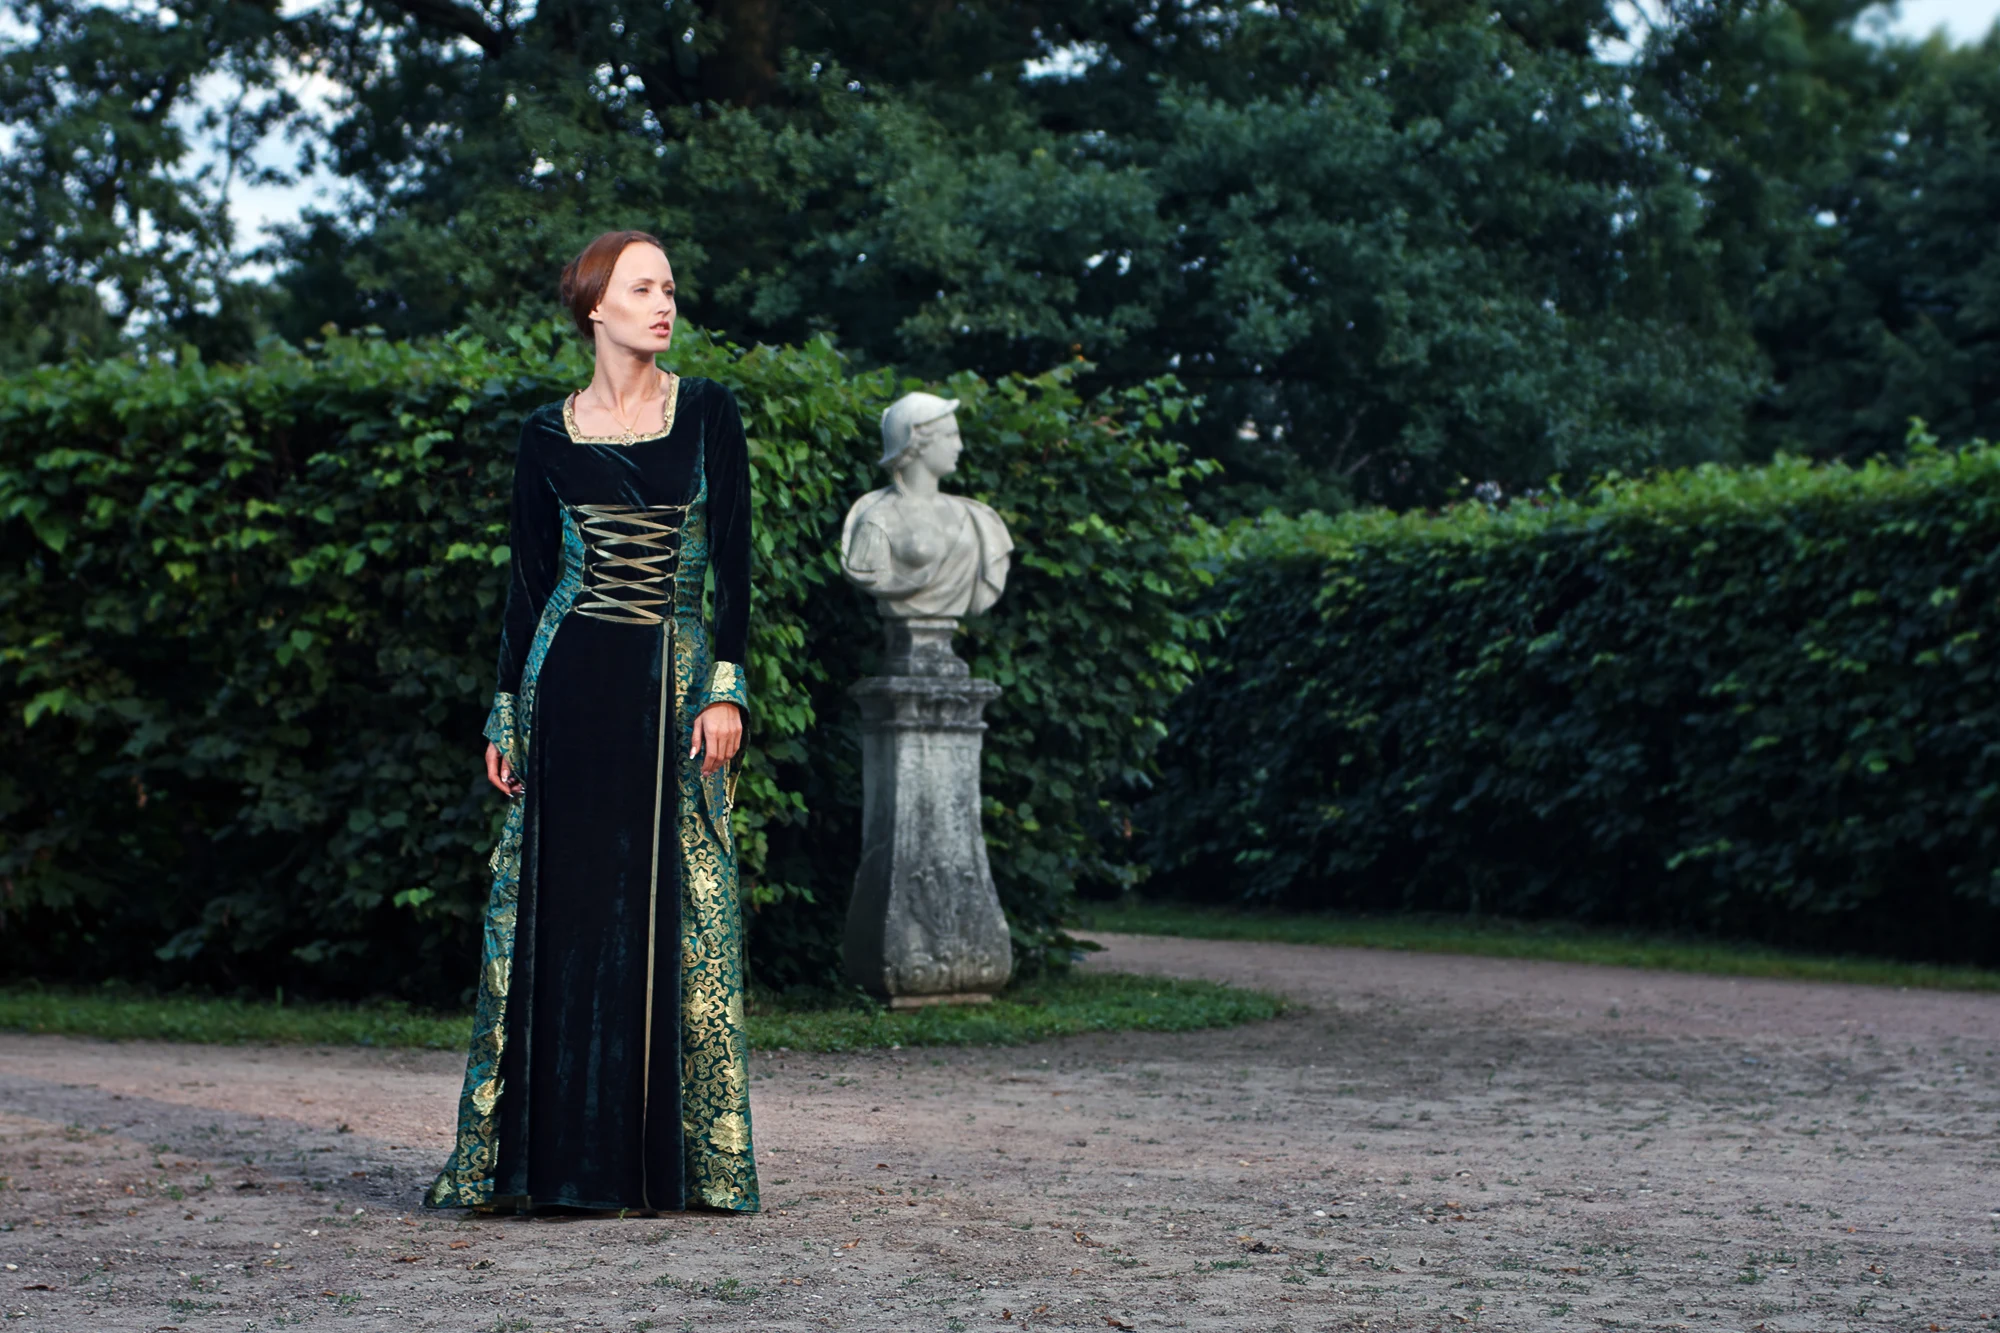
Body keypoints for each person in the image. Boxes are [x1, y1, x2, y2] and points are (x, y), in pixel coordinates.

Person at [424, 230, 758, 1216]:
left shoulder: (707, 412)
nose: (665, 303)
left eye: (669, 286)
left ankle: (664, 1167)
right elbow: (528, 585)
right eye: (642, 286)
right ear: (594, 307)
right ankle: (549, 1163)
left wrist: (726, 686)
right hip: (564, 685)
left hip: (674, 682)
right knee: (559, 917)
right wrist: (505, 713)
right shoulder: (544, 434)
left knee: (674, 913)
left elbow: (734, 564)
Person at [840, 392, 1012, 619]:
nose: (959, 446)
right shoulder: (878, 519)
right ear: (917, 443)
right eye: (950, 436)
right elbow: (868, 573)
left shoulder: (977, 517)